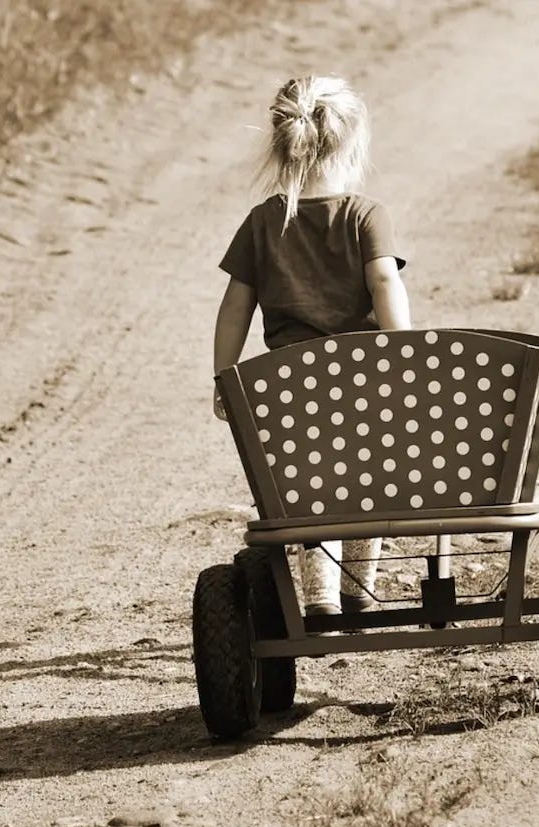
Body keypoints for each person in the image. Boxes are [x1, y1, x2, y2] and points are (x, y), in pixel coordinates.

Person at [211, 75, 412, 616]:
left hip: (291, 383)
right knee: (373, 473)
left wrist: (225, 376)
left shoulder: (263, 222)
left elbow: (235, 306)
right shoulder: (365, 215)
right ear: (350, 143)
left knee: (306, 479)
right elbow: (385, 283)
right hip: (367, 376)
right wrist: (408, 358)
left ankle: (320, 592)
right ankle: (359, 589)